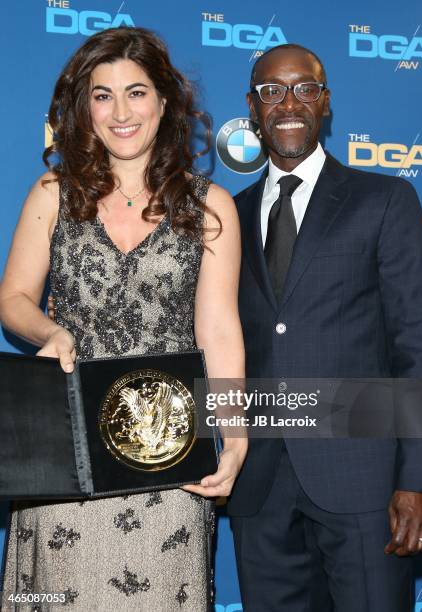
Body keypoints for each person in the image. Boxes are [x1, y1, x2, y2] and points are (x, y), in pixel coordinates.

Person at [0, 26, 246, 611]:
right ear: (85, 107)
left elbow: (219, 332)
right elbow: (12, 299)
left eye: (136, 92)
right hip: (68, 459)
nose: (120, 111)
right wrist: (50, 330)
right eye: (102, 95)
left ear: (164, 102)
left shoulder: (210, 206)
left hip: (168, 458)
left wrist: (235, 436)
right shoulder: (52, 193)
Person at [227, 43, 422, 612]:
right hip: (259, 486)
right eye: (272, 91)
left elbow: (420, 346)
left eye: (304, 88)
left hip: (364, 483)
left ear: (325, 103)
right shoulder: (226, 212)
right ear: (253, 107)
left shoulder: (386, 199)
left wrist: (419, 479)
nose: (289, 103)